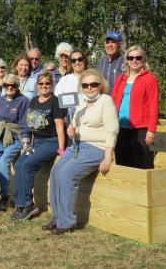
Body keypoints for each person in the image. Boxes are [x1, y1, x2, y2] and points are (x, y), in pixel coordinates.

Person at [45, 69, 118, 235]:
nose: (90, 87)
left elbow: (112, 131)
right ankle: (57, 218)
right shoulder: (82, 102)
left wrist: (108, 157)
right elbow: (75, 124)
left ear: (100, 85)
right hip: (77, 145)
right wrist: (72, 129)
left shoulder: (106, 101)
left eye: (93, 84)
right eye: (85, 85)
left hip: (96, 148)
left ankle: (67, 222)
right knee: (56, 171)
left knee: (66, 175)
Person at [11, 71, 67, 219]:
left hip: (51, 141)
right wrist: (28, 142)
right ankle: (20, 204)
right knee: (18, 164)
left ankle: (28, 204)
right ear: (37, 86)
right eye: (41, 83)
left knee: (28, 165)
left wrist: (61, 150)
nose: (44, 86)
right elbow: (32, 122)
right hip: (37, 142)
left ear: (52, 85)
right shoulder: (34, 100)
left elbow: (60, 128)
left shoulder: (56, 101)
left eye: (47, 83)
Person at [0, 74, 30, 210]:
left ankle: (5, 197)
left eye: (13, 85)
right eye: (7, 85)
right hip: (0, 137)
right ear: (3, 86)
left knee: (3, 162)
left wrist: (26, 140)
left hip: (15, 138)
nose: (10, 87)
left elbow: (24, 121)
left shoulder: (23, 100)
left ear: (17, 87)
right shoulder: (0, 99)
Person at [111, 45, 159, 169]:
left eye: (138, 57)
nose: (134, 60)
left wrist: (151, 130)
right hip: (121, 127)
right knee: (122, 163)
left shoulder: (149, 79)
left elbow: (153, 105)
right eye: (131, 57)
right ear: (126, 60)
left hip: (140, 129)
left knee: (142, 163)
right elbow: (114, 101)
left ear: (143, 60)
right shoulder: (120, 79)